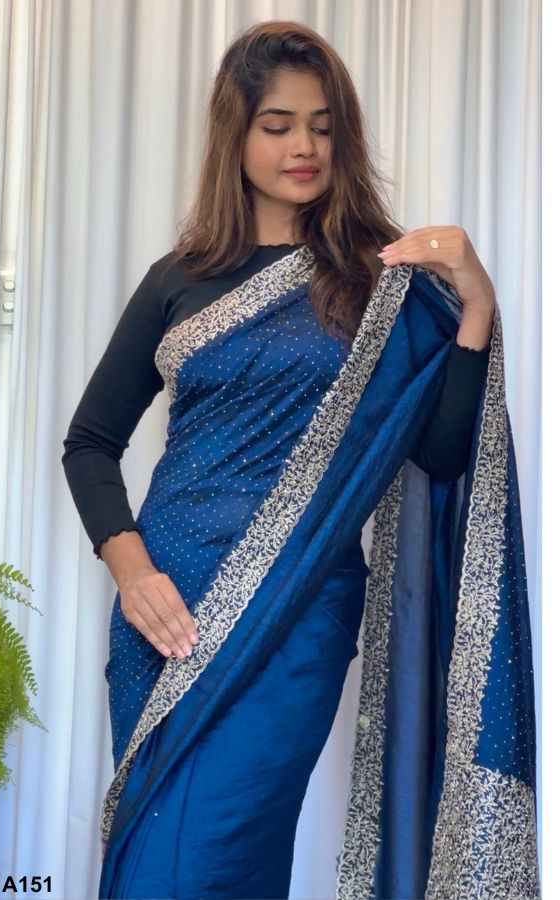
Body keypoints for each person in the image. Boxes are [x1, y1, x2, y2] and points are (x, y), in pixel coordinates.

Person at [62, 20, 539, 900]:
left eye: (322, 125)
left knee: (218, 855)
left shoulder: (378, 279)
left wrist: (476, 305)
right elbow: (90, 442)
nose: (305, 146)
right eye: (278, 125)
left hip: (298, 612)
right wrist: (131, 572)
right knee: (152, 856)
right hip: (165, 610)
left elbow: (438, 456)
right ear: (235, 134)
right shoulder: (179, 278)